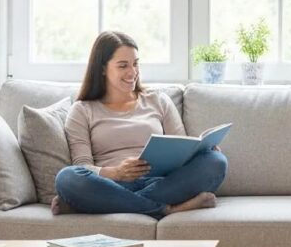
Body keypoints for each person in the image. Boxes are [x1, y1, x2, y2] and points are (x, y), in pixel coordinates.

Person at [52, 30, 227, 217]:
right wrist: (117, 172)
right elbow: (83, 166)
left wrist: (201, 150)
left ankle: (98, 205)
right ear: (102, 68)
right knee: (67, 178)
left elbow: (181, 147)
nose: (132, 72)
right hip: (111, 185)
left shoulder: (158, 100)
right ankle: (167, 209)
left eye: (135, 64)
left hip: (163, 183)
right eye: (123, 65)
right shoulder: (82, 110)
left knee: (216, 161)